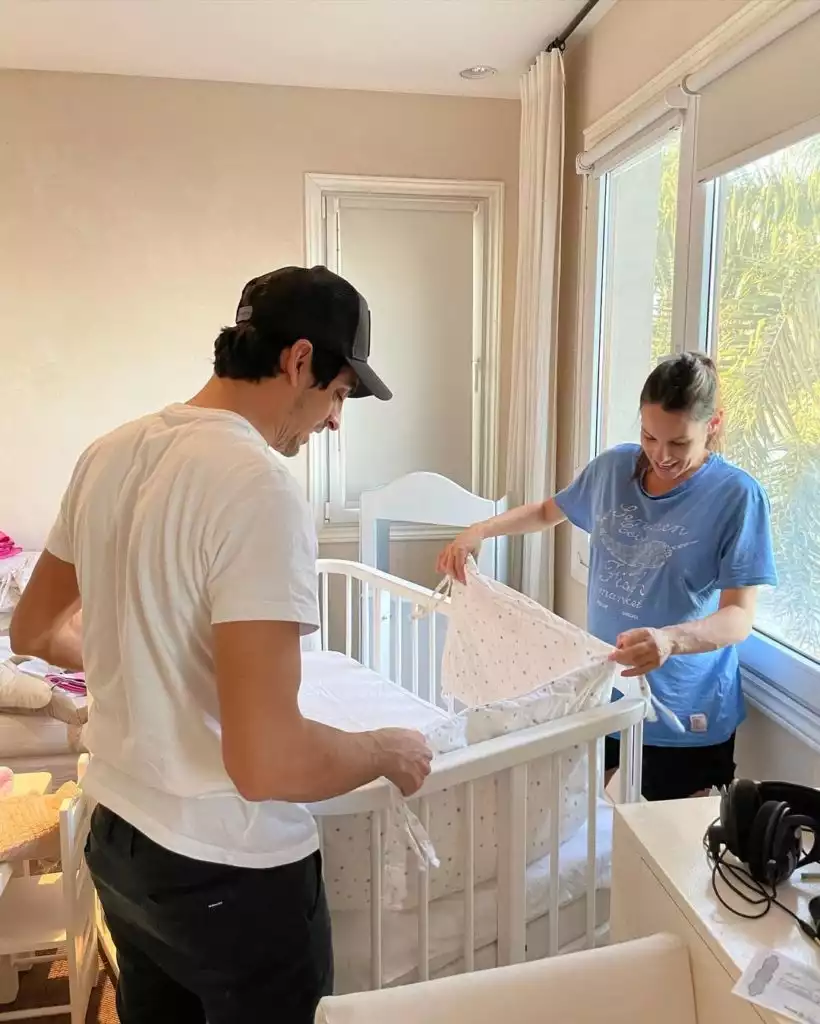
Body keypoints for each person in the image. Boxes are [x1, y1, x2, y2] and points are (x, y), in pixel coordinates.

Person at [10, 266, 433, 1024]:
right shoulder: (258, 486)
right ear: (299, 361)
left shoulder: (109, 453)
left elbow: (34, 629)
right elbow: (266, 761)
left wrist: (140, 660)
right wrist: (382, 750)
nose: (335, 420)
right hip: (229, 873)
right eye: (339, 394)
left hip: (120, 839)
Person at [438, 352, 776, 802]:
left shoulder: (737, 496)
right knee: (586, 833)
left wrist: (670, 640)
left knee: (664, 841)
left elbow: (738, 617)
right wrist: (480, 530)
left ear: (713, 424)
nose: (661, 455)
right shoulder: (614, 468)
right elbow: (547, 511)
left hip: (684, 713)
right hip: (604, 697)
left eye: (679, 443)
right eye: (649, 436)